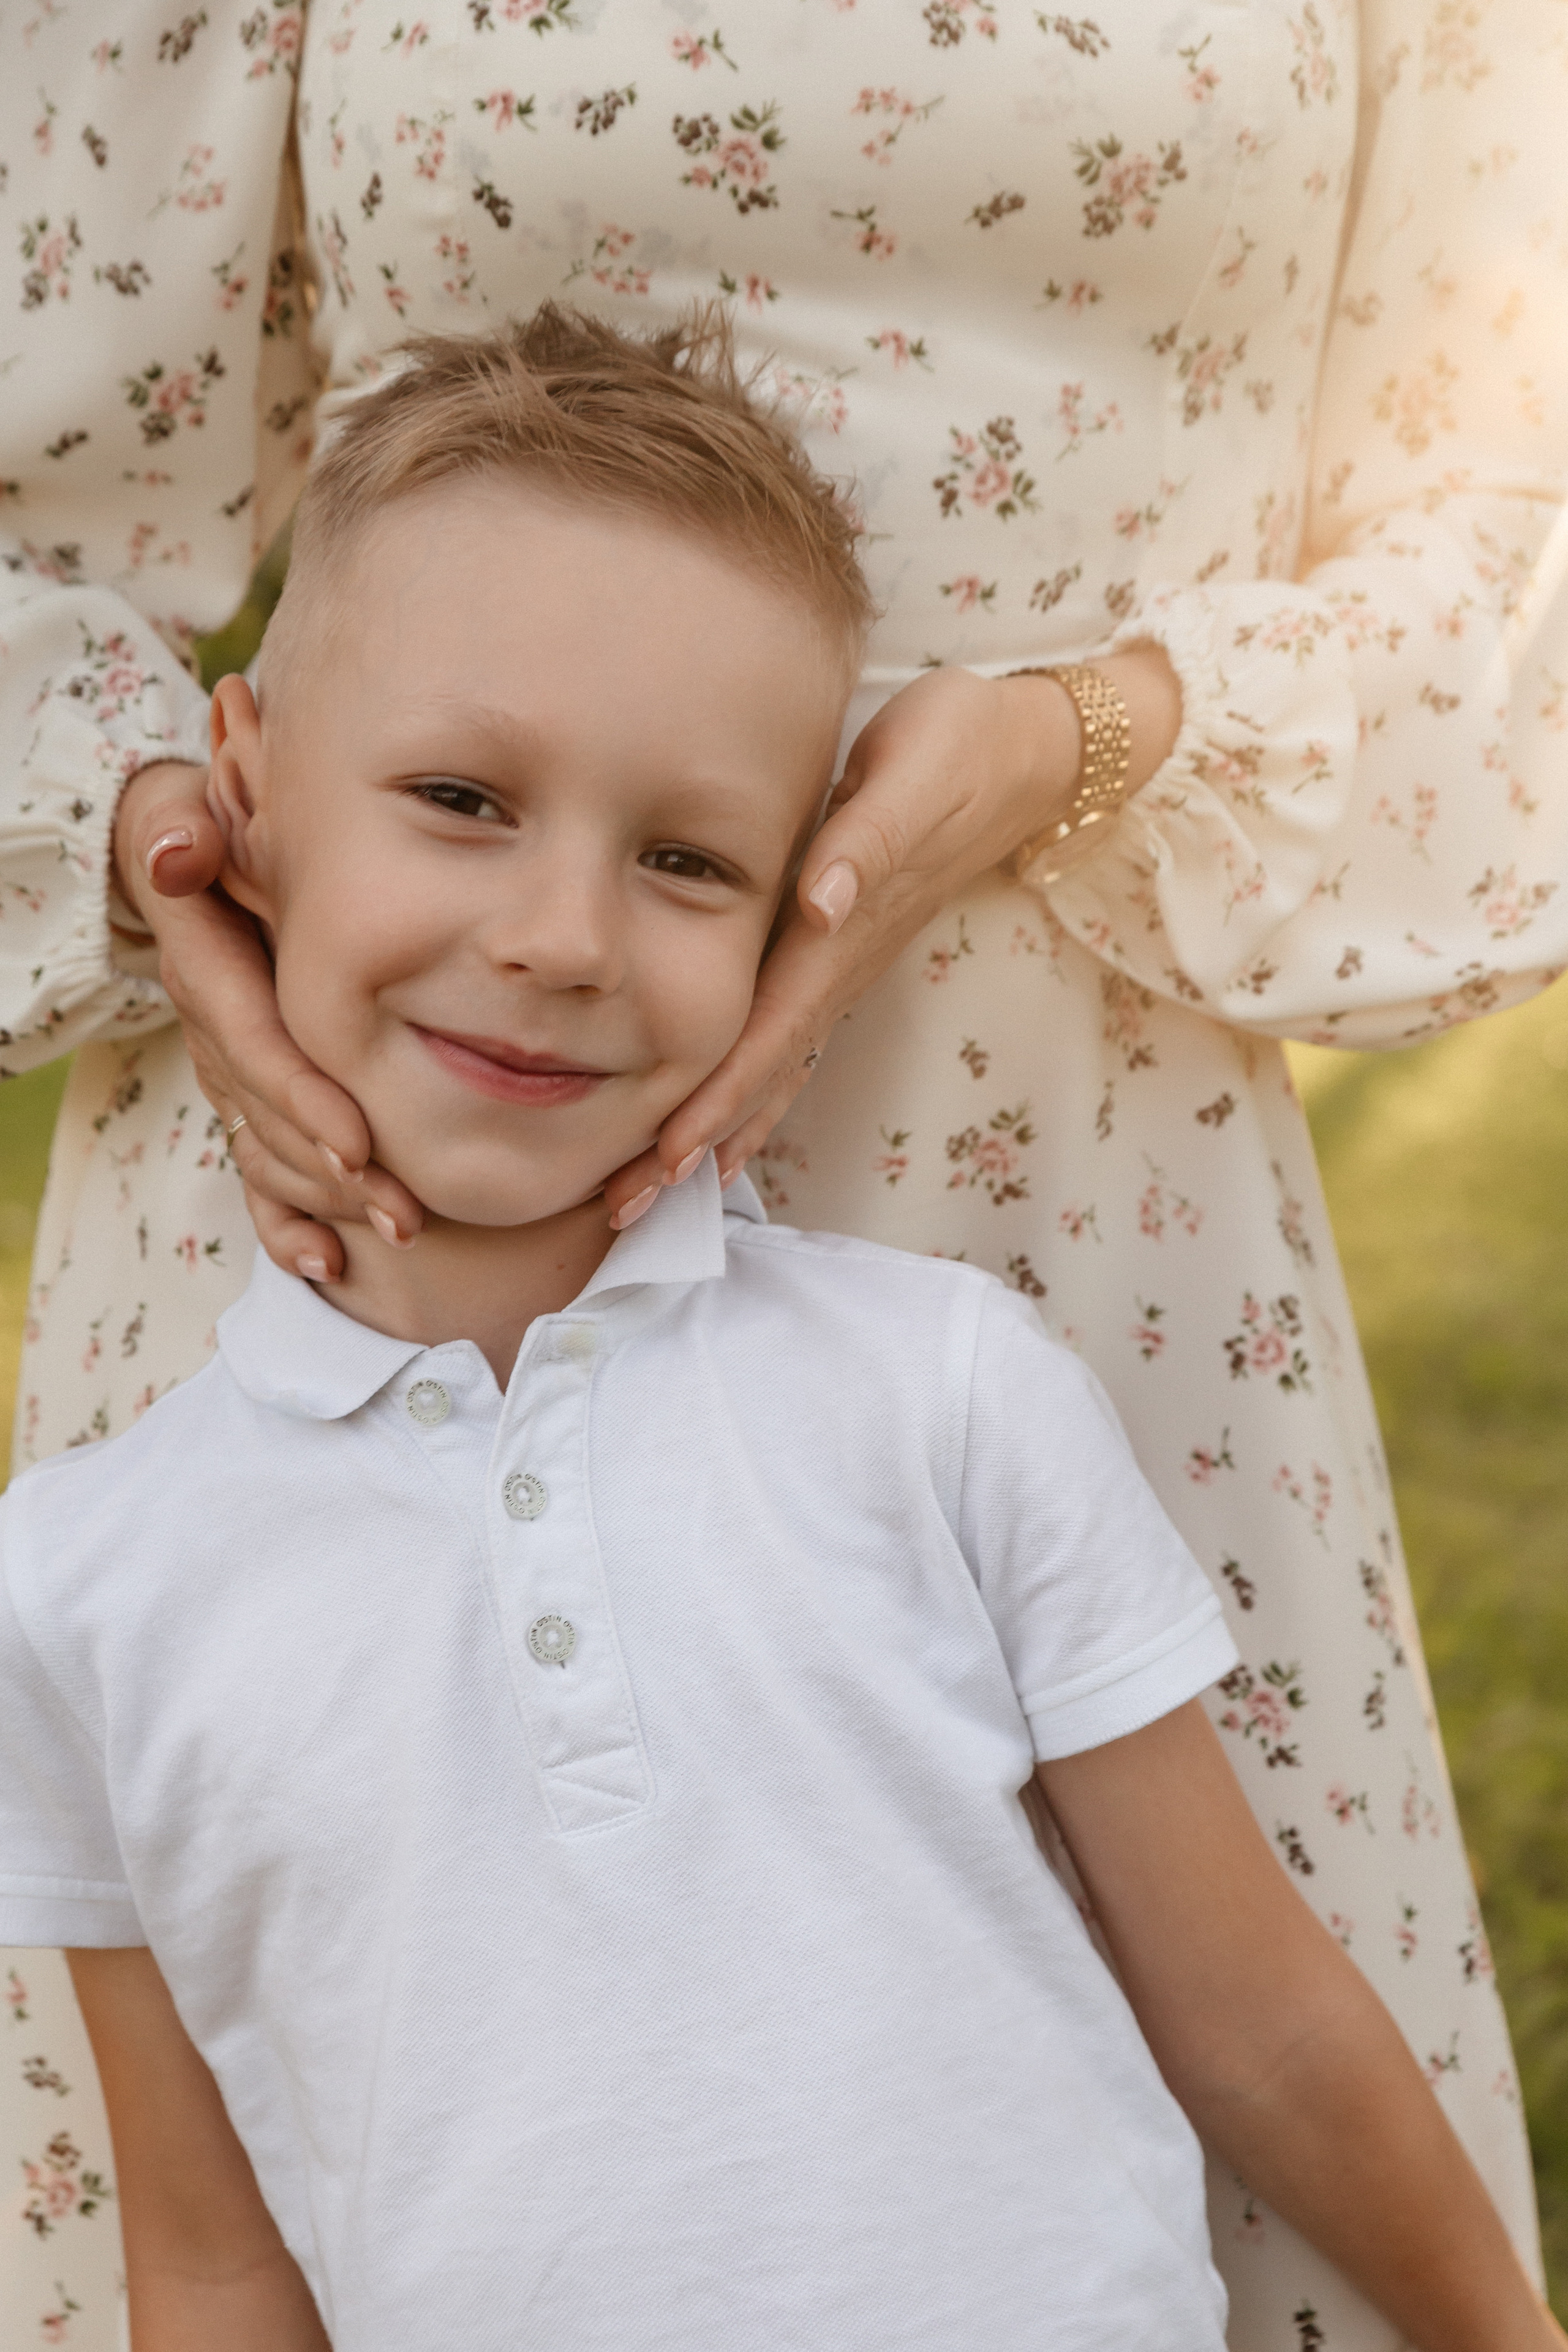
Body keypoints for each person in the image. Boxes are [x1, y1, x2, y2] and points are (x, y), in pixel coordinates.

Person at [4, 8, 1567, 2343]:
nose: (556, 928)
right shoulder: (105, 1583)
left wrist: (1089, 729)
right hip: (343, 1180)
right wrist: (155, 845)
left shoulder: (961, 1387)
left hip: (1079, 1186)